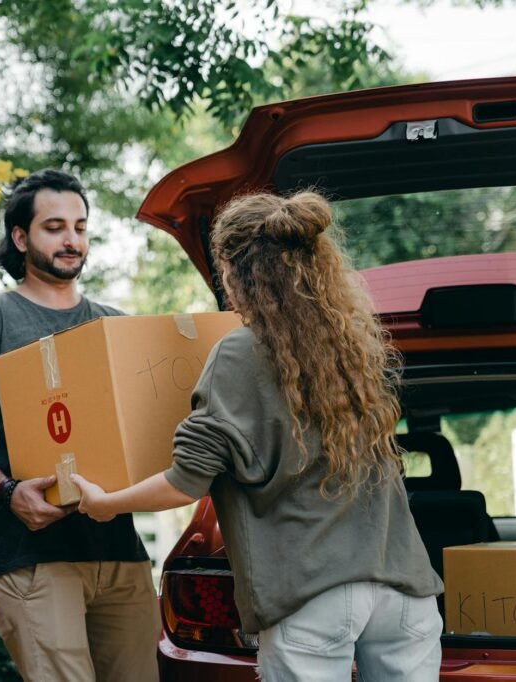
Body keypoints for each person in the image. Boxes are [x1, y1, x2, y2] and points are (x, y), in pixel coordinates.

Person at [71, 191, 444, 681]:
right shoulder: (353, 346)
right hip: (405, 593)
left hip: (311, 594)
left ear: (232, 270)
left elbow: (187, 482)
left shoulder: (239, 353)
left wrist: (107, 503)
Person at [0, 168, 160, 682]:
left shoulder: (115, 325)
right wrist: (8, 491)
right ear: (20, 237)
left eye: (80, 227)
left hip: (120, 554)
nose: (71, 240)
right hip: (32, 558)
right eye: (54, 227)